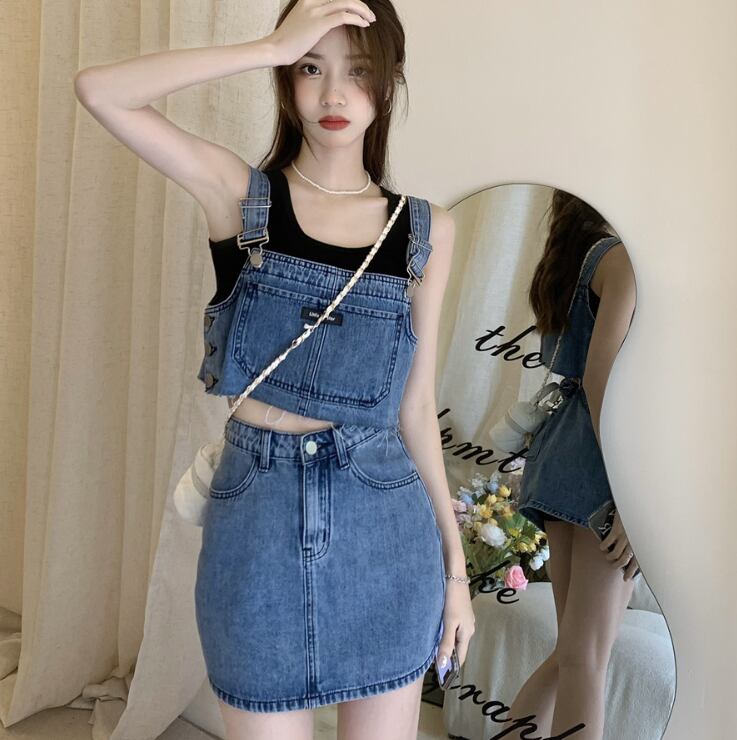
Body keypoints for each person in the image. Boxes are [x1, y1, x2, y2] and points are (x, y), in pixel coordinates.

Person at [73, 1, 475, 738]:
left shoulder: (426, 230)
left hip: (384, 525)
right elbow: (100, 89)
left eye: (358, 71)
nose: (333, 94)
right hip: (256, 522)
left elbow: (415, 409)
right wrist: (268, 46)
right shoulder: (240, 196)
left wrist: (456, 576)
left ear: (388, 83)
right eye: (311, 68)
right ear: (287, 81)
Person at [508, 190, 639, 740]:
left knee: (574, 652)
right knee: (587, 657)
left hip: (562, 451)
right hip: (600, 464)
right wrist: (634, 496)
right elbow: (601, 378)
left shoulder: (578, 257)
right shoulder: (619, 259)